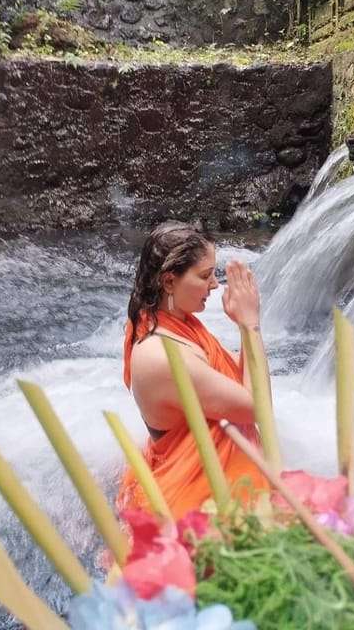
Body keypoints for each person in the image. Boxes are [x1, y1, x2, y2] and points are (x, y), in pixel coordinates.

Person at [116, 221, 270, 519]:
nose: (215, 284)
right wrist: (250, 324)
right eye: (204, 275)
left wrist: (245, 326)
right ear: (169, 282)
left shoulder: (181, 326)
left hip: (215, 485)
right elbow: (257, 407)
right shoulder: (161, 356)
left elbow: (241, 384)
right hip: (196, 506)